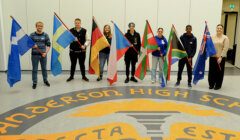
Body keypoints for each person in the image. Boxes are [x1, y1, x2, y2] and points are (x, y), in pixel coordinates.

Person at [30, 21, 51, 89]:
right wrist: (33, 46)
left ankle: (45, 80)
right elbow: (28, 44)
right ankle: (34, 82)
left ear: (42, 27)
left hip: (43, 55)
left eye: (41, 26)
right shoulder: (32, 35)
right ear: (36, 27)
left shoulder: (45, 35)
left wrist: (46, 53)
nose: (40, 27)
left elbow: (48, 45)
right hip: (34, 55)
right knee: (34, 69)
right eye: (38, 26)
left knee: (44, 69)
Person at [208, 24, 229, 90]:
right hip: (213, 57)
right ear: (216, 29)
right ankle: (211, 84)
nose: (219, 29)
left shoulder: (225, 38)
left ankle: (218, 85)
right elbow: (210, 46)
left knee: (219, 72)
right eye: (218, 28)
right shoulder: (212, 37)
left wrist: (221, 57)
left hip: (220, 58)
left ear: (222, 29)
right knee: (212, 71)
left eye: (220, 28)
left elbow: (225, 48)